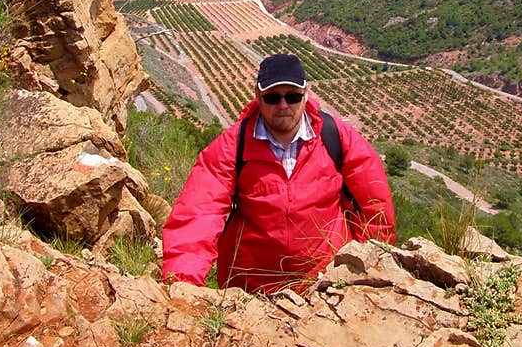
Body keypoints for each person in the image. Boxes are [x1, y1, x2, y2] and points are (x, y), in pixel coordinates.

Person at [162, 53, 396, 294]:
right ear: (258, 96)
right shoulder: (233, 145)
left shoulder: (337, 137)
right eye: (273, 97)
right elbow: (199, 212)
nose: (283, 105)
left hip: (325, 285)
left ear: (306, 95)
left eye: (293, 96)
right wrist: (182, 283)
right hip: (251, 290)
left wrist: (371, 269)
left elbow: (373, 208)